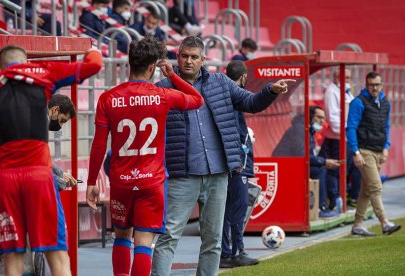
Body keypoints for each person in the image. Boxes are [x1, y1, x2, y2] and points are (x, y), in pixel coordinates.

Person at [150, 35, 294, 276]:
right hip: (181, 175)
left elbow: (251, 103)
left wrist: (270, 90)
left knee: (214, 241)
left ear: (203, 59)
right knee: (168, 237)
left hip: (218, 174)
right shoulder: (162, 89)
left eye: (194, 57)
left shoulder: (221, 83)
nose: (188, 61)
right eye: (184, 56)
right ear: (177, 56)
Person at [86, 36, 203, 276]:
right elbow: (197, 100)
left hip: (121, 181)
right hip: (152, 181)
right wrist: (172, 76)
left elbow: (99, 145)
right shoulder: (162, 94)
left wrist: (91, 182)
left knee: (121, 236)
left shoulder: (108, 98)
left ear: (130, 63)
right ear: (153, 67)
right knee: (143, 242)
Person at [0, 45, 102, 276]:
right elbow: (94, 65)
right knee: (58, 255)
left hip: (6, 178)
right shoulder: (43, 73)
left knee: (12, 260)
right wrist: (94, 50)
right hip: (38, 176)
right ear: (26, 62)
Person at [347, 72, 401, 236]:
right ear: (366, 85)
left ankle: (357, 225)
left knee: (366, 190)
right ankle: (384, 223)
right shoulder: (358, 102)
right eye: (371, 85)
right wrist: (356, 152)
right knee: (376, 187)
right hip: (364, 151)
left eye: (377, 84)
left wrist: (386, 147)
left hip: (379, 150)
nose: (374, 88)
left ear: (382, 85)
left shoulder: (385, 102)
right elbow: (350, 128)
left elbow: (386, 126)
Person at [220, 60, 259, 268]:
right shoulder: (235, 96)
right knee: (238, 208)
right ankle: (236, 252)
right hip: (237, 165)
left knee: (226, 210)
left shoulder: (223, 95)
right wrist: (238, 160)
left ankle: (226, 253)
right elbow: (233, 132)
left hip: (226, 163)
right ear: (244, 77)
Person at [321, 69, 361, 210]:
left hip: (347, 137)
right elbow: (333, 119)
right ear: (337, 77)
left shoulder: (346, 91)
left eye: (349, 77)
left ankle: (346, 197)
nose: (348, 80)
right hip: (337, 138)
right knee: (336, 170)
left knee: (349, 168)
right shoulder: (331, 92)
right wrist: (347, 132)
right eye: (346, 77)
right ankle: (334, 200)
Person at [309, 106, 341, 217]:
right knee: (320, 170)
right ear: (310, 116)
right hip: (290, 165)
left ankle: (330, 202)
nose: (322, 121)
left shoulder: (310, 132)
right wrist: (324, 161)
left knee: (323, 168)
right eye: (319, 117)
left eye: (323, 118)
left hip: (296, 163)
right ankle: (320, 207)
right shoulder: (302, 130)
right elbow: (305, 156)